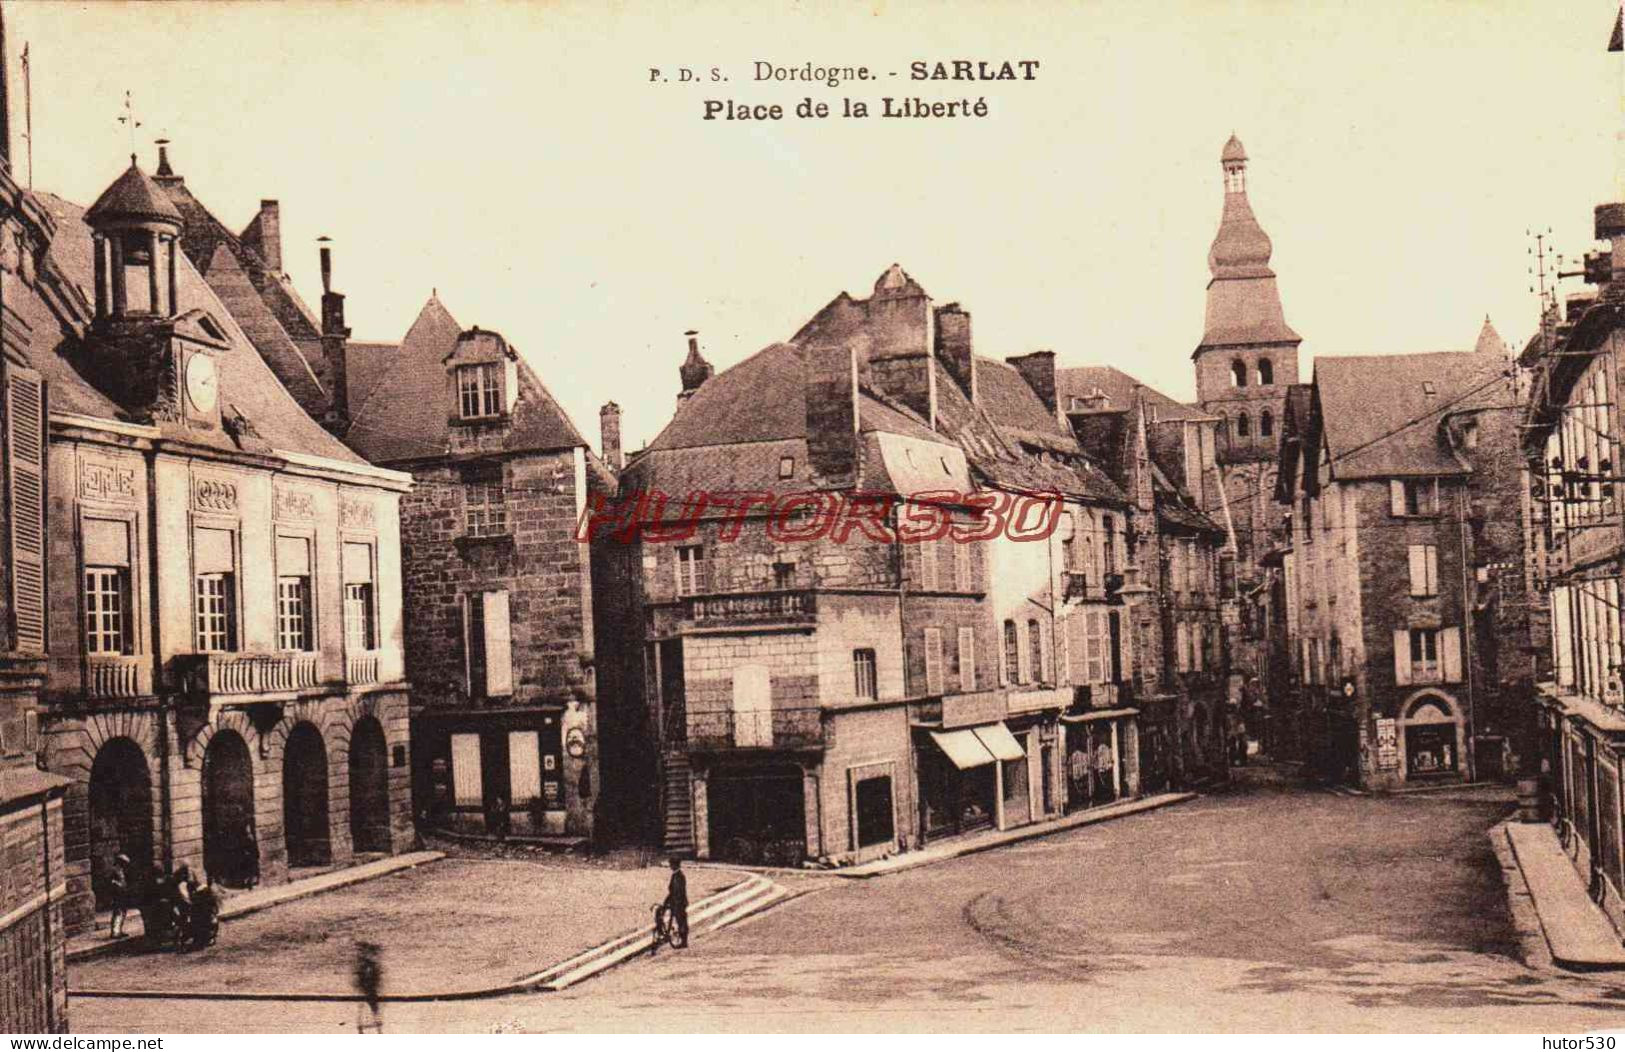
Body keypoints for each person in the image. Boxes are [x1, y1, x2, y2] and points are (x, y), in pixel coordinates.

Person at [354, 940, 384, 1033]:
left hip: (367, 986)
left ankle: (375, 1025)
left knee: (367, 1006)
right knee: (372, 1007)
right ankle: (377, 1026)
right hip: (369, 986)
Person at [664, 857, 689, 949]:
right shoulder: (675, 875)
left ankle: (684, 941)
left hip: (680, 903)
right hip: (676, 902)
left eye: (671, 864)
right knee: (679, 921)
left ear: (675, 865)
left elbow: (679, 891)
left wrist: (675, 903)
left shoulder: (680, 876)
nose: (670, 866)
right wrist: (667, 900)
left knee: (682, 921)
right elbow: (672, 891)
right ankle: (683, 941)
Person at [107, 853, 132, 938]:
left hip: (122, 894)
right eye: (123, 862)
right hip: (117, 894)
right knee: (118, 912)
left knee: (122, 912)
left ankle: (119, 930)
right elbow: (111, 882)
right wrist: (118, 885)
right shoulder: (114, 870)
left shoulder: (121, 870)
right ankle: (115, 932)